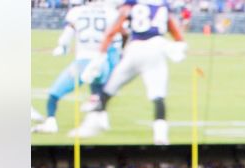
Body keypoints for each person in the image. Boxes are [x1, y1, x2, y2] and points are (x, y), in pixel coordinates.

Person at [71, 0, 186, 145]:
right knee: (158, 96)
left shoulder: (132, 4)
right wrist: (180, 46)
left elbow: (113, 30)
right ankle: (160, 135)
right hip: (156, 49)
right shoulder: (162, 5)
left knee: (109, 88)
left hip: (135, 48)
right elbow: (175, 31)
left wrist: (99, 58)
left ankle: (94, 122)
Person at [32, 0, 123, 135]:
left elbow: (66, 37)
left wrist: (62, 47)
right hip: (101, 60)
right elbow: (116, 39)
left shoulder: (76, 12)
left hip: (84, 60)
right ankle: (102, 119)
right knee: (99, 90)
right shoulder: (111, 13)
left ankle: (50, 122)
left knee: (53, 95)